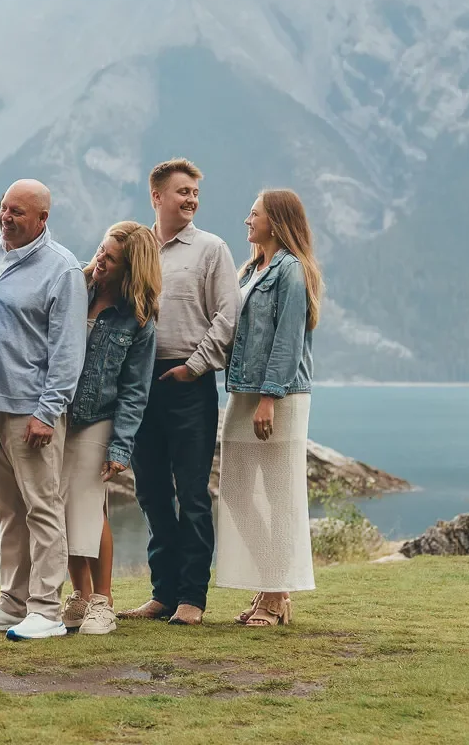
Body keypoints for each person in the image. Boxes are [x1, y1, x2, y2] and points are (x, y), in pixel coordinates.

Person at [0, 179, 87, 642]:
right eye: (3, 208)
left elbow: (68, 351)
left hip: (31, 411)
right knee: (8, 510)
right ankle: (11, 603)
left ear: (42, 220)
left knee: (42, 509)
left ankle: (46, 610)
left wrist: (47, 410)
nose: (6, 218)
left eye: (17, 212)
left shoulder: (62, 270)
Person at [119, 158, 239, 628]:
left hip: (189, 384)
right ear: (156, 196)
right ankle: (162, 593)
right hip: (139, 384)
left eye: (194, 192)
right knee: (148, 492)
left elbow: (227, 317)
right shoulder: (137, 247)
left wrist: (193, 368)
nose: (190, 199)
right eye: (181, 192)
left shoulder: (211, 249)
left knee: (191, 493)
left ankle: (192, 597)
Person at [216, 189, 323, 627]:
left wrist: (268, 398)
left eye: (254, 214)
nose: (247, 219)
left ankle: (276, 595)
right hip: (243, 392)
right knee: (237, 491)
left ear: (275, 222)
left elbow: (287, 340)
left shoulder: (291, 272)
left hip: (277, 397)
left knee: (279, 495)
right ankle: (272, 581)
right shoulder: (251, 270)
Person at [61, 222, 159, 636]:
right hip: (56, 413)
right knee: (61, 508)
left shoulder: (137, 320)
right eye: (101, 250)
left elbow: (135, 391)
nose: (100, 260)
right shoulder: (72, 289)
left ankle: (103, 601)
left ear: (130, 269)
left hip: (96, 418)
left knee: (89, 506)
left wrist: (120, 448)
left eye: (111, 258)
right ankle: (79, 597)